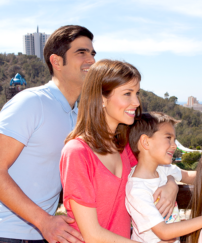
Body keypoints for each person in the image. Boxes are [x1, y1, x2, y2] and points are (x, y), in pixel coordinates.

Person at [60, 60, 183, 242]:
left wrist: (171, 184)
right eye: (127, 94)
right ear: (101, 98)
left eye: (137, 93)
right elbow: (92, 235)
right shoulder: (77, 152)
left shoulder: (123, 146)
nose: (136, 102)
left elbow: (160, 169)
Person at [0, 25, 96, 243]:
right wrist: (44, 221)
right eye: (81, 52)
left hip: (41, 235)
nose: (91, 60)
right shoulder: (32, 102)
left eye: (92, 53)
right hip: (7, 234)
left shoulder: (79, 115)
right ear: (57, 61)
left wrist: (168, 181)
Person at [125, 112, 202, 243]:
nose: (174, 145)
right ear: (146, 142)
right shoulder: (137, 190)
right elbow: (164, 232)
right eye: (168, 138)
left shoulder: (163, 169)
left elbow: (190, 176)